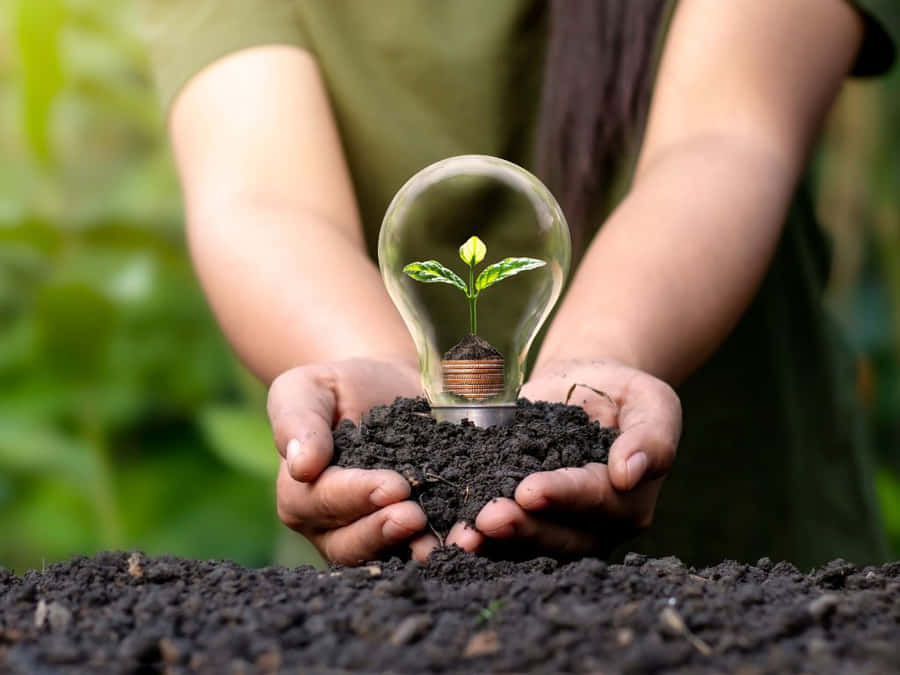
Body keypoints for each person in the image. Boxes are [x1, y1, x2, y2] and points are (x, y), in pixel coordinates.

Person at [141, 0, 896, 568]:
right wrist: (392, 402)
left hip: (751, 575)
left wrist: (596, 363)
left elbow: (727, 134)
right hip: (390, 595)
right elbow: (263, 197)